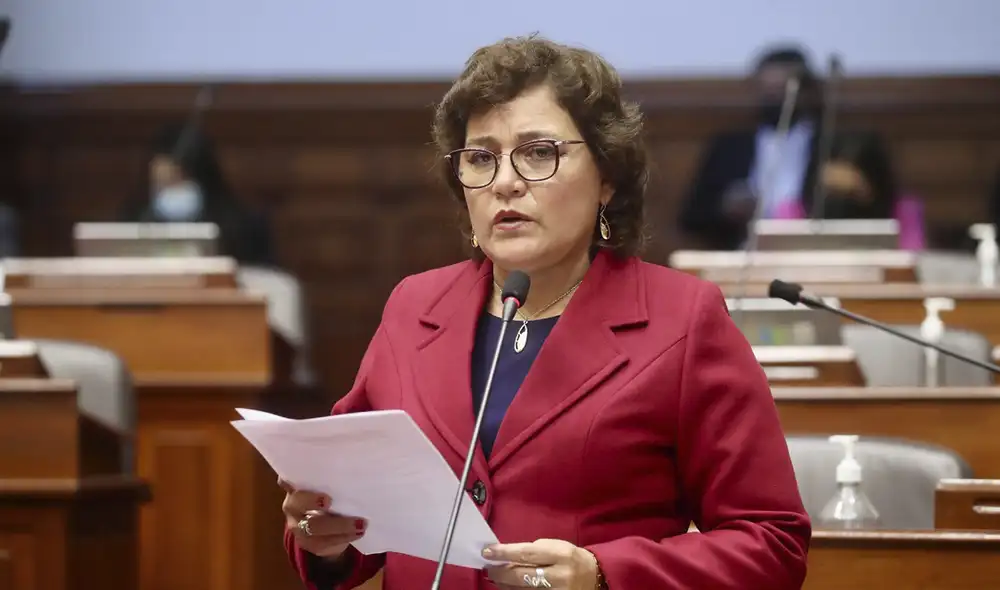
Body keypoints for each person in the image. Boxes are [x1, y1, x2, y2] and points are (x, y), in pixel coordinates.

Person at [281, 36, 810, 590]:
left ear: (606, 175)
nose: (505, 181)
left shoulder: (682, 320)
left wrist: (605, 574)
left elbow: (771, 542)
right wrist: (324, 540)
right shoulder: (414, 307)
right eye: (481, 158)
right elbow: (350, 519)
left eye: (538, 152)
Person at [678, 45, 824, 250]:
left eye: (781, 91)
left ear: (806, 91)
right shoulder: (729, 147)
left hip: (815, 251)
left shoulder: (833, 144)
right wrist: (725, 208)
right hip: (746, 251)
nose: (774, 99)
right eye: (767, 91)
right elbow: (692, 215)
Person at [120, 123, 273, 265]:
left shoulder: (243, 227)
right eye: (162, 185)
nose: (171, 192)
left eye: (178, 180)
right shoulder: (135, 220)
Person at [772, 131, 926, 250]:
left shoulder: (903, 210)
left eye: (853, 193)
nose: (842, 201)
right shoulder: (791, 211)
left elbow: (913, 258)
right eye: (833, 191)